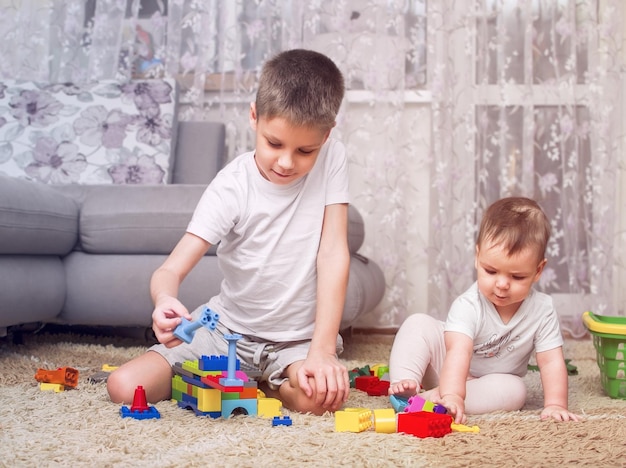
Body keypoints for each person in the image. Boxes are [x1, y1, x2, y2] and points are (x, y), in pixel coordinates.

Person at [107, 49, 351, 415]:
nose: (286, 162)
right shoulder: (231, 187)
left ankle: (272, 385)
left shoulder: (334, 157)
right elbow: (170, 271)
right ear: (254, 117)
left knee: (321, 401)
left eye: (305, 150)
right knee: (124, 387)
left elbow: (333, 253)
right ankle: (248, 380)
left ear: (327, 136)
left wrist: (323, 350)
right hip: (225, 334)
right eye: (274, 143)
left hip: (298, 341)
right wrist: (164, 301)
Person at [388, 197, 579, 423]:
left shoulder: (542, 310)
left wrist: (556, 404)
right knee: (417, 324)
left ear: (538, 271)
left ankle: (432, 398)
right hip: (444, 366)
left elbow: (550, 361)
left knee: (515, 391)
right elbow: (459, 352)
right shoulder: (469, 305)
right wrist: (453, 393)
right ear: (478, 258)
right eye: (491, 271)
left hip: (492, 381)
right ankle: (405, 385)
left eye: (517, 276)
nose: (501, 284)